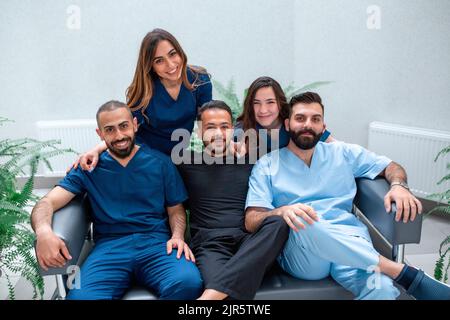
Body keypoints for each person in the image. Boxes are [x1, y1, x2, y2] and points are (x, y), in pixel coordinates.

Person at [245, 92, 450, 300]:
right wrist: (282, 211)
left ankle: (392, 272)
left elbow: (391, 166)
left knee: (383, 290)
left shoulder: (342, 153)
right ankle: (400, 272)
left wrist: (398, 185)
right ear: (288, 124)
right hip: (305, 256)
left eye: (315, 119)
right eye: (300, 118)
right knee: (302, 215)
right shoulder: (268, 164)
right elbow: (251, 220)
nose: (308, 124)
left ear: (323, 127)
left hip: (350, 244)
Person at [32, 101, 203, 300]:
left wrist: (178, 236)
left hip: (156, 244)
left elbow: (176, 210)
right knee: (80, 297)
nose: (119, 135)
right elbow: (46, 202)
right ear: (100, 134)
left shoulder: (160, 163)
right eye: (110, 130)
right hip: (109, 248)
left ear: (135, 125)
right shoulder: (88, 168)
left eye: (124, 126)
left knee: (189, 283)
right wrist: (43, 231)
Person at [176, 100, 290, 300]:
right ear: (200, 131)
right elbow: (139, 148)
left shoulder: (253, 161)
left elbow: (295, 136)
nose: (219, 134)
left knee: (279, 222)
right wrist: (101, 148)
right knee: (224, 291)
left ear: (233, 130)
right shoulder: (186, 164)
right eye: (211, 127)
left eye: (224, 127)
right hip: (211, 246)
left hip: (250, 243)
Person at [73, 28, 212, 170]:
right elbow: (126, 129)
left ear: (180, 51)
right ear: (150, 66)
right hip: (145, 155)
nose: (170, 65)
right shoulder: (143, 91)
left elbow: (208, 123)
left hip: (179, 153)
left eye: (172, 54)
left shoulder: (200, 80)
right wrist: (97, 149)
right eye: (159, 61)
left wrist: (224, 143)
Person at [234, 76, 333, 157]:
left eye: (270, 102)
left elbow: (334, 145)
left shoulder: (296, 123)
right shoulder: (243, 127)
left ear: (280, 103)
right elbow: (223, 145)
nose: (263, 110)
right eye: (256, 103)